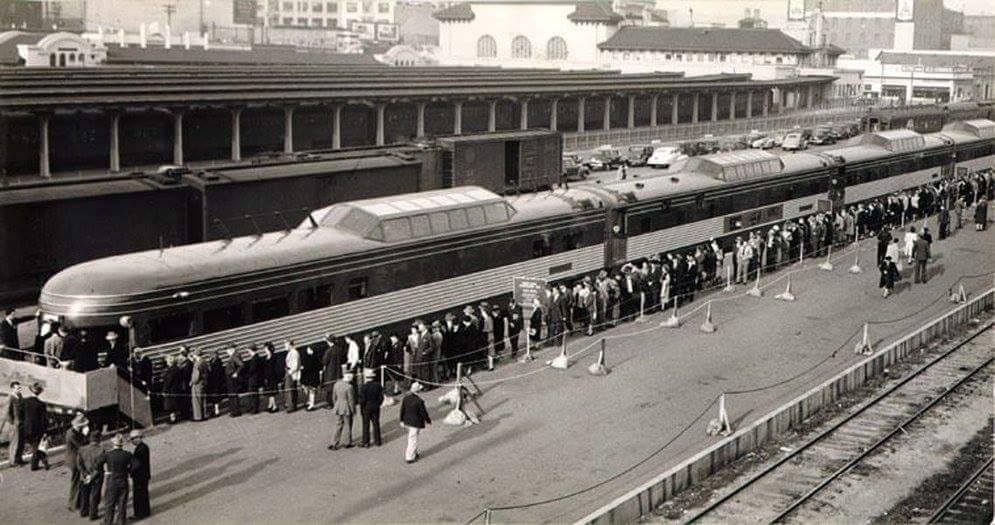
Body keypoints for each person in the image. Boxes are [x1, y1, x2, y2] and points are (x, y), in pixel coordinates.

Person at [95, 433, 134, 525]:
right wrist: (128, 471)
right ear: (122, 444)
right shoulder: (127, 454)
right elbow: (136, 465)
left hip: (112, 479)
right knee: (122, 502)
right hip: (123, 479)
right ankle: (121, 521)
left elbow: (97, 464)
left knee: (110, 503)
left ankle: (108, 521)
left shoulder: (108, 454)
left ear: (113, 444)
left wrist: (104, 471)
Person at [399, 382, 431, 464]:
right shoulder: (419, 401)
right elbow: (423, 413)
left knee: (412, 437)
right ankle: (410, 457)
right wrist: (428, 420)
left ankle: (414, 452)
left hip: (407, 421)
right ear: (418, 391)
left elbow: (402, 410)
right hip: (416, 423)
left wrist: (401, 420)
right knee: (413, 439)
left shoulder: (406, 399)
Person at [77, 431, 105, 520]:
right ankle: (93, 514)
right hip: (97, 475)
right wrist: (93, 474)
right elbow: (100, 464)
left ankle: (83, 511)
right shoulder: (101, 450)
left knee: (85, 493)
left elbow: (79, 463)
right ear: (99, 439)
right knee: (95, 495)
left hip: (85, 475)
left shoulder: (82, 449)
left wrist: (84, 472)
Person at [22, 382, 50, 470]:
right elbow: (44, 419)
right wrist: (45, 430)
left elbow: (21, 414)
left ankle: (43, 460)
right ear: (40, 392)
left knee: (35, 446)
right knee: (37, 446)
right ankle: (35, 464)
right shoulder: (41, 404)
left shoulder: (25, 401)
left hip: (26, 428)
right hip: (37, 429)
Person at [65, 412, 88, 511]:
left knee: (77, 480)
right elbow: (82, 446)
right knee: (76, 481)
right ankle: (73, 503)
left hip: (72, 459)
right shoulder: (73, 435)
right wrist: (85, 435)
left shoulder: (71, 432)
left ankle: (76, 502)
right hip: (75, 461)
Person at [328, 371, 356, 450]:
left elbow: (334, 397)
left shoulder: (336, 384)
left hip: (338, 406)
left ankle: (334, 443)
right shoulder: (349, 387)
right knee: (348, 425)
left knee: (338, 425)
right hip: (346, 407)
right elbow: (351, 400)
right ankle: (348, 442)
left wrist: (335, 405)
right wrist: (353, 410)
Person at [358, 368, 384, 448]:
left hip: (366, 407)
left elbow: (362, 400)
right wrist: (378, 404)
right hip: (376, 406)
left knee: (366, 425)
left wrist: (362, 407)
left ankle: (366, 442)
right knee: (376, 423)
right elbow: (381, 398)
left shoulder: (364, 387)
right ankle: (378, 441)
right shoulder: (378, 385)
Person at [130, 429, 151, 520]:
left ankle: (140, 513)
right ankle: (145, 511)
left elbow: (137, 464)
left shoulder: (140, 449)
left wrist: (130, 470)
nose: (132, 441)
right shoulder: (143, 447)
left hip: (139, 476)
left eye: (133, 439)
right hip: (144, 474)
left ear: (138, 438)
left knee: (139, 495)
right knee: (143, 493)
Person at [5, 380, 26, 466]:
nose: (19, 389)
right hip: (15, 423)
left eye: (20, 388)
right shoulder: (11, 398)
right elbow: (8, 412)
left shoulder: (20, 396)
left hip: (22, 421)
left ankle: (19, 459)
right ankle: (13, 461)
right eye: (18, 388)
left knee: (21, 441)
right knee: (15, 442)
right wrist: (13, 422)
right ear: (12, 389)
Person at [321, 335, 344, 408]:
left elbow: (324, 361)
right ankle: (338, 401)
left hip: (330, 371)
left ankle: (331, 403)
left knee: (330, 388)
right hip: (338, 370)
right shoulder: (339, 349)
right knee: (337, 386)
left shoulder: (328, 351)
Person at [300, 344, 322, 411]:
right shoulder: (316, 357)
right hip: (314, 377)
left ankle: (311, 404)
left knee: (311, 391)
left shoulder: (310, 358)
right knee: (311, 391)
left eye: (308, 349)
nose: (307, 350)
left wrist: (302, 368)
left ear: (311, 350)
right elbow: (320, 367)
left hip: (310, 378)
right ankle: (310, 402)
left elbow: (307, 368)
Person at [224, 346, 244, 417]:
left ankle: (235, 411)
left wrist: (236, 373)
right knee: (233, 394)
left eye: (227, 350)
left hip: (232, 379)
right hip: (231, 378)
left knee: (233, 394)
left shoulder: (234, 356)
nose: (226, 352)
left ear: (231, 350)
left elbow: (241, 365)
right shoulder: (234, 355)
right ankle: (234, 410)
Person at [283, 340, 300, 413]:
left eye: (286, 345)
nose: (285, 347)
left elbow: (295, 366)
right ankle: (291, 405)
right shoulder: (290, 352)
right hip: (289, 372)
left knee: (290, 390)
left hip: (291, 373)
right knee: (290, 389)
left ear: (290, 345)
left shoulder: (294, 353)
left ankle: (291, 406)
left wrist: (289, 372)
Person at [190, 352, 207, 421]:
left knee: (196, 400)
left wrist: (192, 382)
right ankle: (203, 415)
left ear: (196, 355)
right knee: (203, 400)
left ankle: (198, 416)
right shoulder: (203, 361)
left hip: (197, 384)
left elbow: (196, 376)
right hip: (203, 382)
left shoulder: (197, 364)